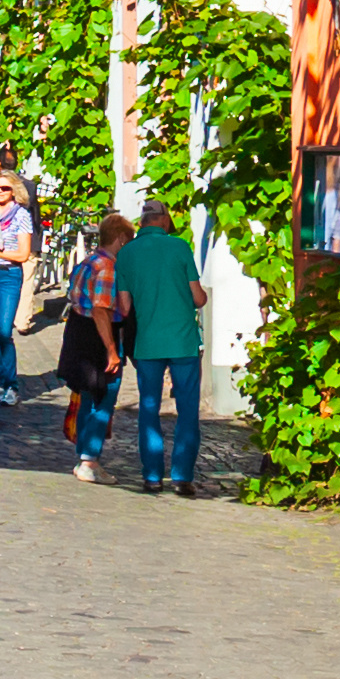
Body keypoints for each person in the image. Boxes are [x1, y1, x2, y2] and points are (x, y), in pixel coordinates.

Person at [123, 201, 211, 491]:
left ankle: (151, 475)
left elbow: (123, 307)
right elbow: (198, 298)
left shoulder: (127, 253)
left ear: (142, 222)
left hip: (147, 342)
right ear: (164, 220)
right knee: (187, 410)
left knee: (149, 408)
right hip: (183, 340)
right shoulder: (180, 247)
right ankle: (183, 476)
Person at [57, 213, 131, 480]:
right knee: (103, 397)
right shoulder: (107, 267)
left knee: (88, 395)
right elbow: (101, 310)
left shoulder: (88, 261)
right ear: (121, 238)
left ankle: (84, 456)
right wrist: (111, 350)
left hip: (78, 333)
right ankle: (89, 460)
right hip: (98, 337)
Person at [0, 171, 39, 398]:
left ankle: (12, 386)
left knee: (4, 330)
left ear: (15, 191)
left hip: (10, 274)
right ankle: (0, 382)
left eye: (5, 188)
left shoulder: (21, 216)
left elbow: (23, 254)